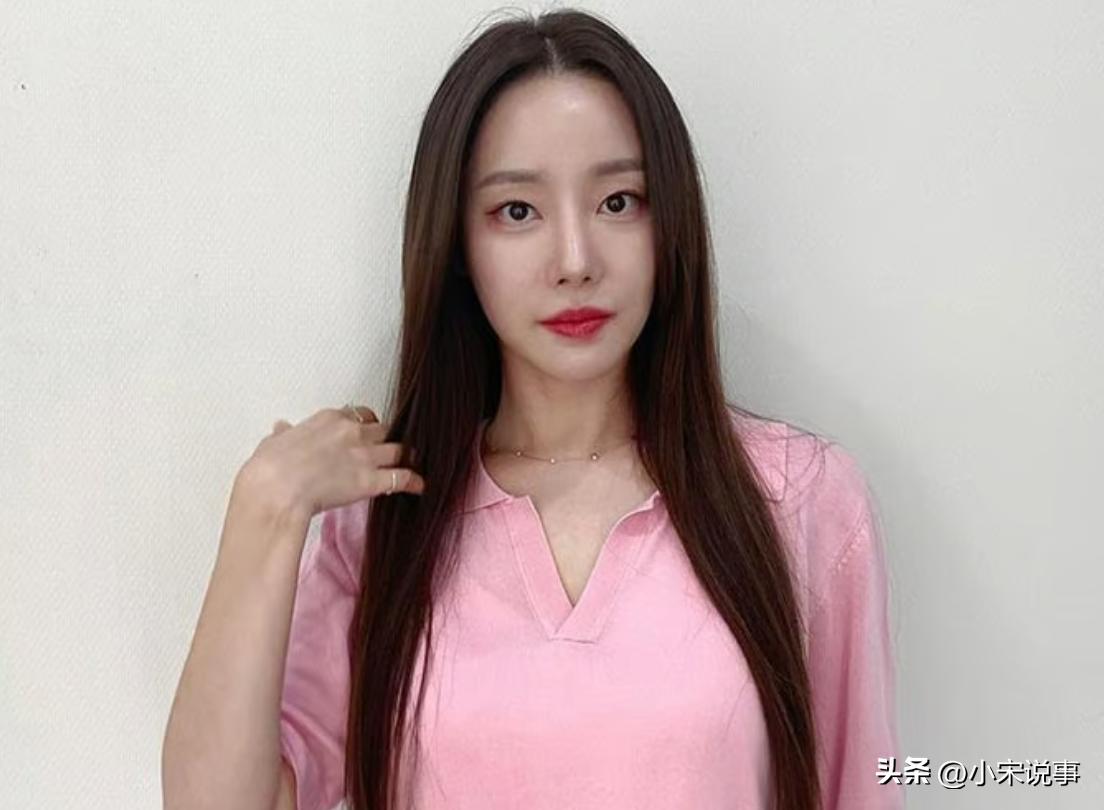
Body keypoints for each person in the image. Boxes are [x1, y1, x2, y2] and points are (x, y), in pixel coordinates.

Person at [163, 7, 902, 810]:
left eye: (619, 201)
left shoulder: (798, 500)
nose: (576, 260)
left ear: (670, 223)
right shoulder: (387, 527)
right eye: (518, 211)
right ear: (457, 245)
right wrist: (265, 508)